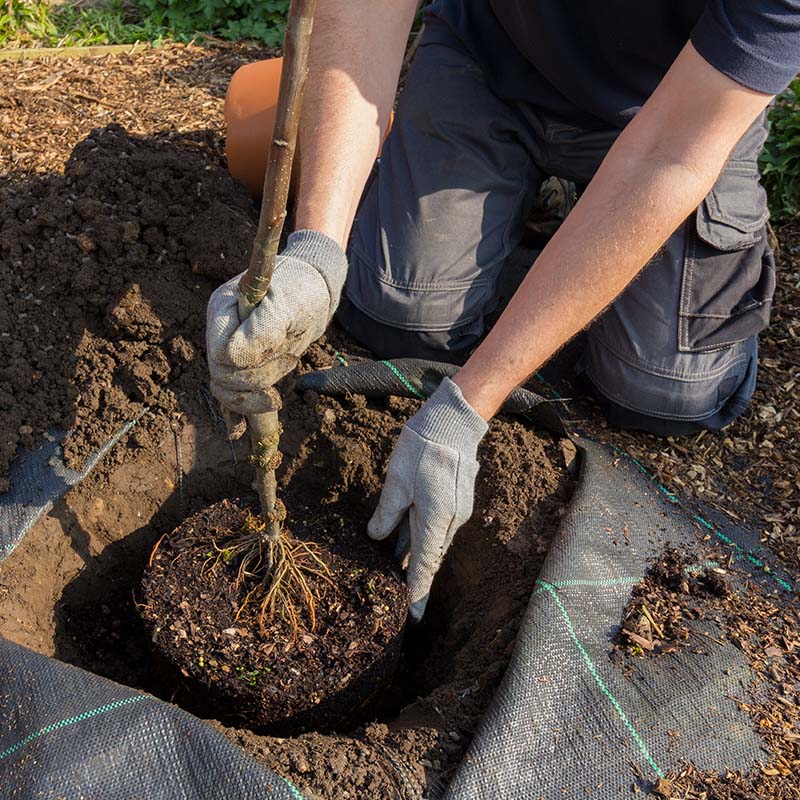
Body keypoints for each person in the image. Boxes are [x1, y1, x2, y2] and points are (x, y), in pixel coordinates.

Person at [207, 1, 800, 619]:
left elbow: (670, 155)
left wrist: (472, 401)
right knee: (399, 315)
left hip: (682, 106)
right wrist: (318, 249)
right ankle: (534, 224)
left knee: (664, 392)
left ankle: (599, 245)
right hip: (494, 58)